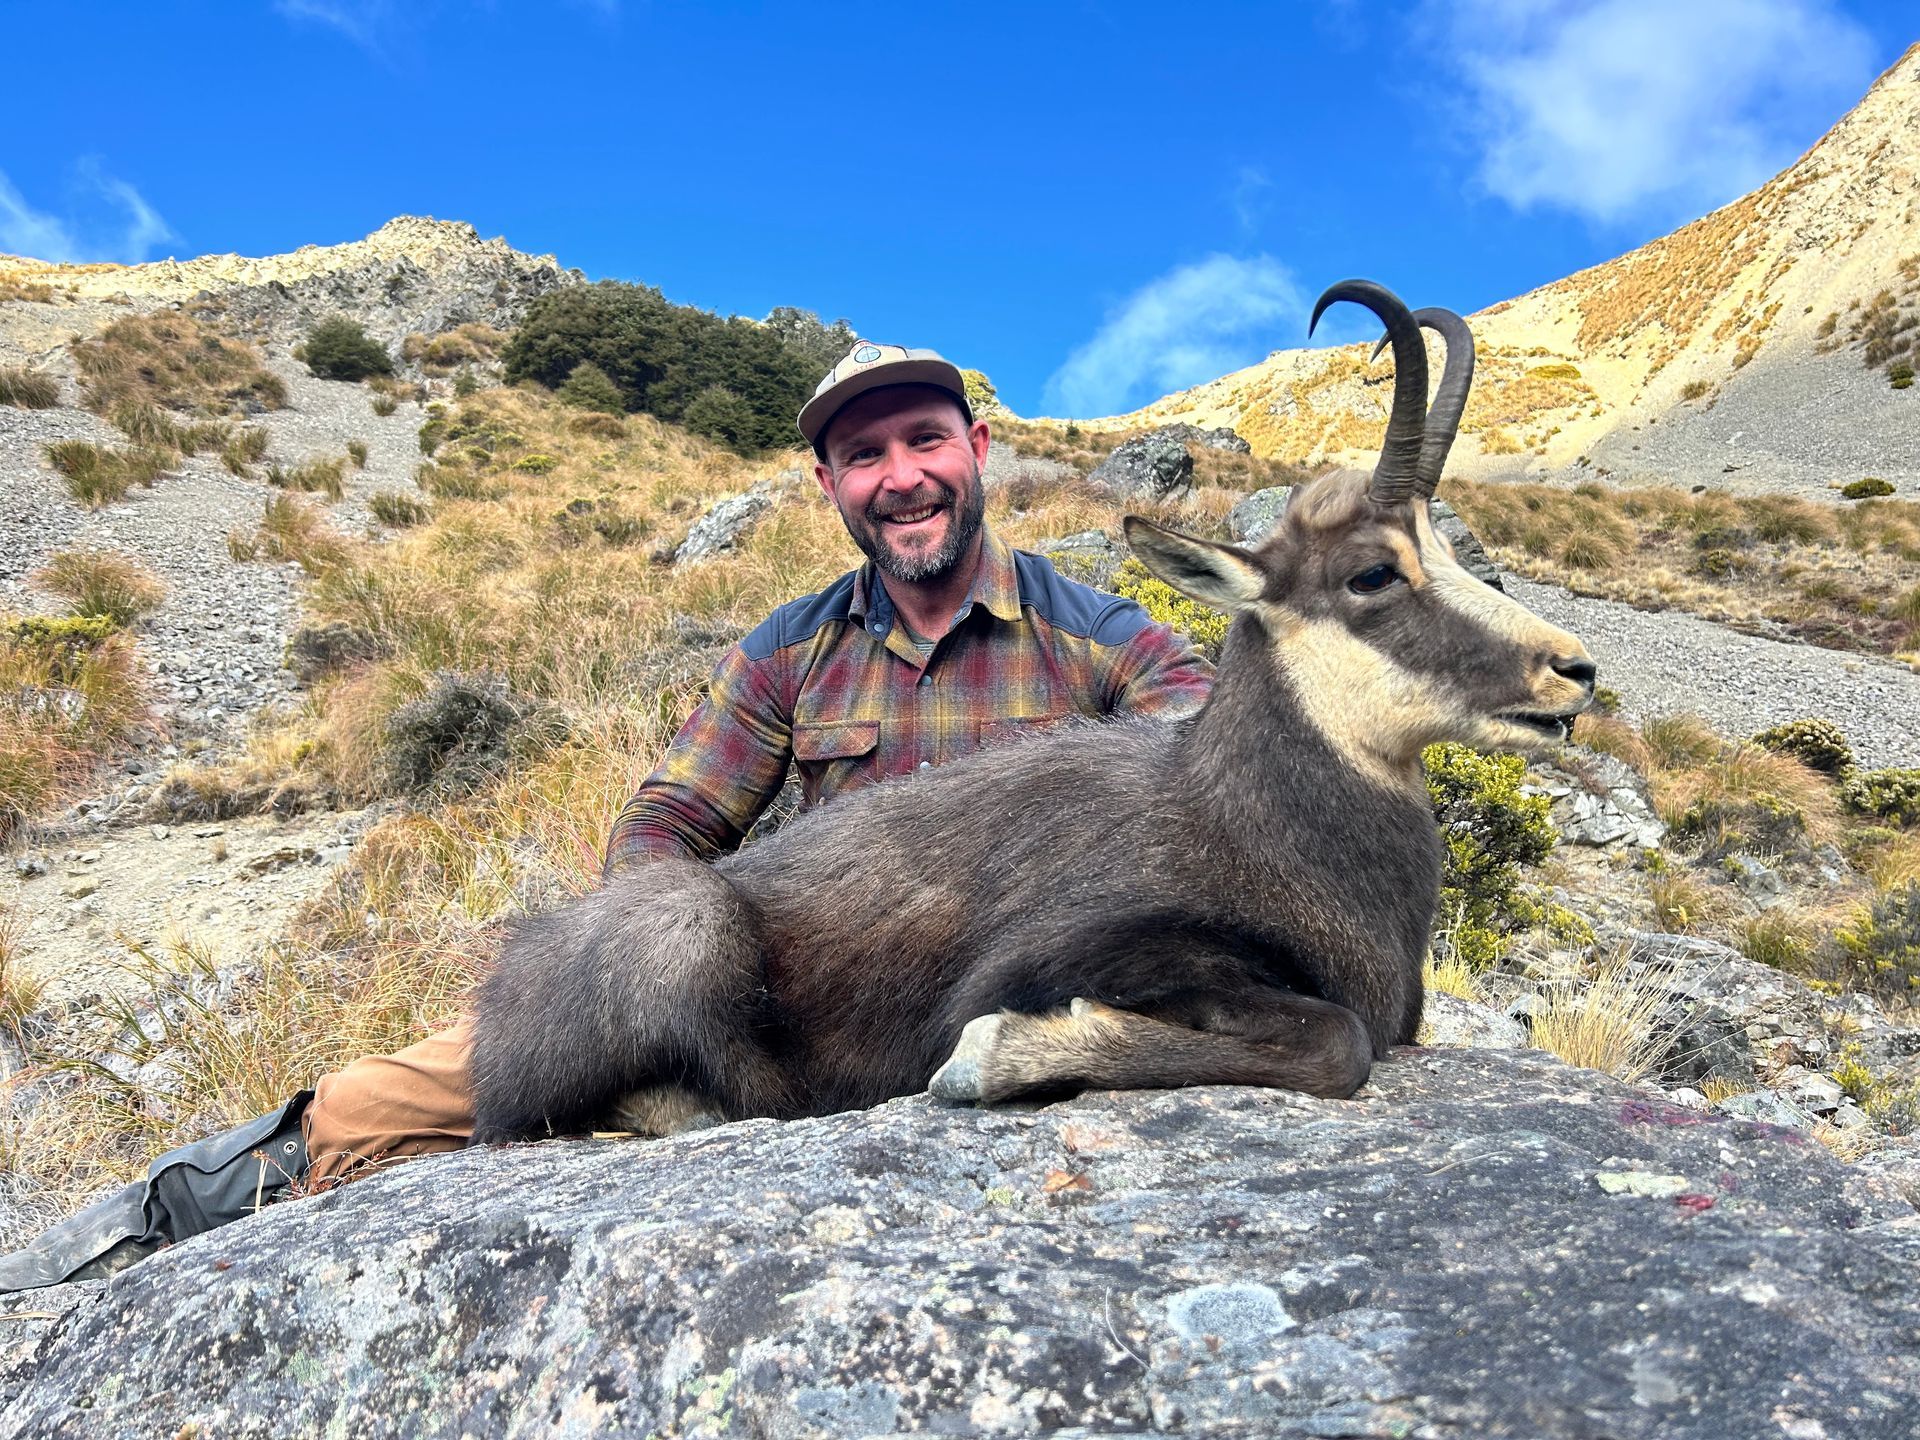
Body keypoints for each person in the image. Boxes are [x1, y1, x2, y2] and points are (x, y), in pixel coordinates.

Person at [0, 340, 1213, 1291]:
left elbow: (1213, 791)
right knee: (399, 1094)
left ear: (979, 447)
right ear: (830, 486)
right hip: (795, 1000)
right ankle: (142, 1227)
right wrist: (685, 990)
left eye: (923, 439)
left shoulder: (1104, 637)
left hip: (1006, 1000)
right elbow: (666, 827)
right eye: (865, 456)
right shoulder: (790, 647)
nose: (901, 476)